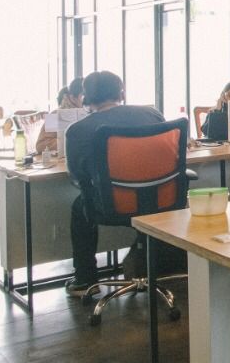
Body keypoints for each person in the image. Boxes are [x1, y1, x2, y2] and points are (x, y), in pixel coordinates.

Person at [64, 71, 166, 296]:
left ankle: (84, 280)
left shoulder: (79, 130)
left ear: (86, 97)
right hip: (160, 200)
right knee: (144, 202)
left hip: (112, 205)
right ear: (121, 92)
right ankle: (147, 261)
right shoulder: (152, 114)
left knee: (80, 205)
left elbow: (76, 176)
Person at [36, 77, 85, 153]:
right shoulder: (55, 115)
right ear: (72, 97)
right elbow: (40, 145)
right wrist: (69, 142)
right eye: (83, 96)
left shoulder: (94, 111)